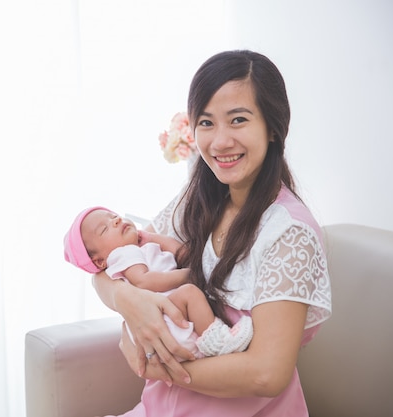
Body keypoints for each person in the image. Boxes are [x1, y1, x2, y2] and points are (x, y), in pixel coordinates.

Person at [91, 50, 332, 416]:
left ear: (273, 128)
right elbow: (109, 263)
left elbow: (267, 374)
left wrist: (164, 369)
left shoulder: (289, 232)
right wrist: (129, 302)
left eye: (238, 120)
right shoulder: (200, 198)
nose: (219, 142)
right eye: (206, 122)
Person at [64, 206, 253, 358]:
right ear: (99, 261)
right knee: (190, 293)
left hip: (172, 319)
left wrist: (154, 238)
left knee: (190, 294)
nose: (116, 221)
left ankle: (215, 339)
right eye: (104, 228)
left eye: (114, 216)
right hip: (163, 321)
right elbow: (144, 282)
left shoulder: (142, 248)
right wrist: (189, 275)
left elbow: (184, 254)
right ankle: (219, 341)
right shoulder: (122, 254)